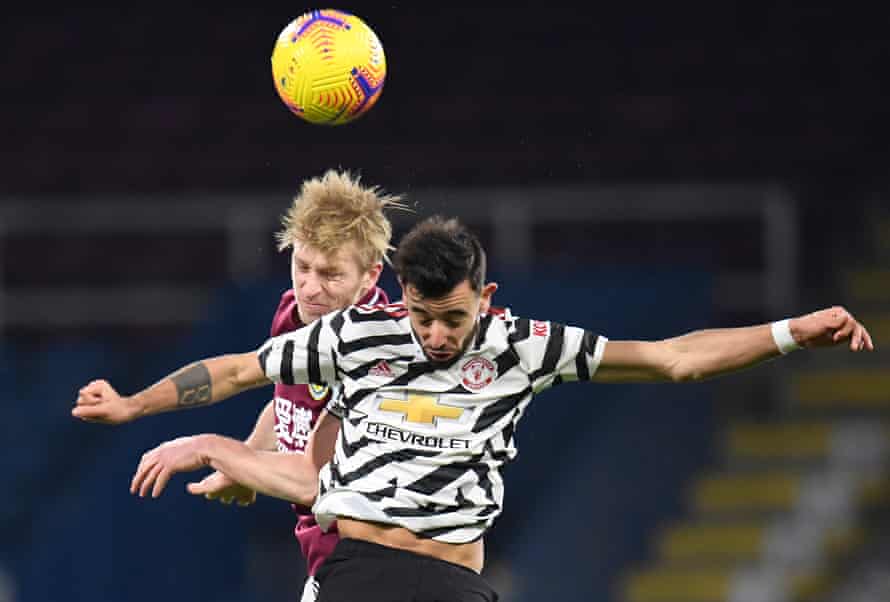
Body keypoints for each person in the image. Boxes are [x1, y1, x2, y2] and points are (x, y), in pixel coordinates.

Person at [75, 216, 874, 602]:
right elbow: (242, 368)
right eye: (422, 316)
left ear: (484, 300)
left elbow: (672, 357)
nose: (435, 335)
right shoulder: (361, 335)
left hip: (454, 585)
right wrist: (136, 406)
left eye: (452, 319)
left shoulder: (524, 346)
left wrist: (790, 332)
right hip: (354, 573)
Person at [74, 168, 406, 602]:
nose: (310, 288)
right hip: (337, 561)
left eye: (330, 274)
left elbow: (315, 479)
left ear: (370, 275)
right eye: (302, 266)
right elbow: (289, 406)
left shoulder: (372, 349)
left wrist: (210, 447)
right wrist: (251, 457)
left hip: (377, 564)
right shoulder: (296, 317)